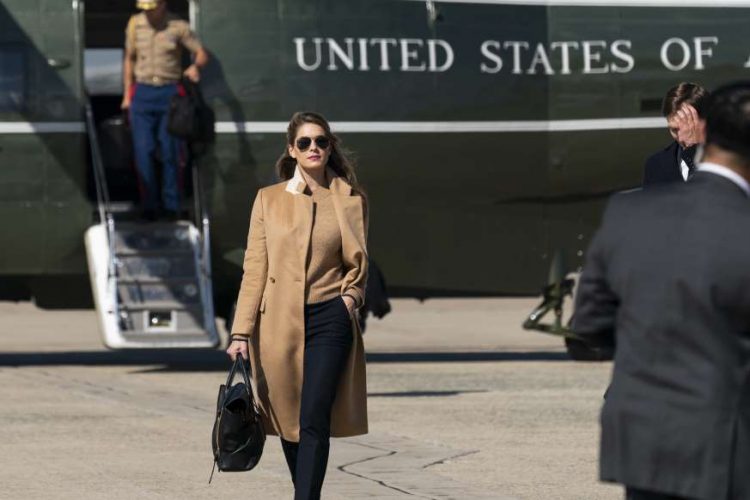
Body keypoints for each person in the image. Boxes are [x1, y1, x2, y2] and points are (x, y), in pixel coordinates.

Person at [573, 81, 750, 500]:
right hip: (723, 432)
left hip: (646, 425)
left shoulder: (624, 213)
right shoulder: (662, 172)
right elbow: (691, 224)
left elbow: (591, 327)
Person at [226, 112, 368, 500]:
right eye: (304, 143)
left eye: (321, 141)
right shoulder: (268, 200)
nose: (314, 149)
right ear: (291, 150)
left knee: (313, 419)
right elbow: (254, 269)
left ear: (330, 146)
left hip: (330, 318)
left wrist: (350, 299)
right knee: (289, 421)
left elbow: (359, 264)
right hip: (278, 324)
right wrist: (241, 331)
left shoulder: (350, 199)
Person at [121, 0, 209, 220]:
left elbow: (201, 53)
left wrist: (195, 66)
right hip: (141, 92)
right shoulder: (135, 24)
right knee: (143, 151)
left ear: (162, 4)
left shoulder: (178, 26)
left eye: (152, 7)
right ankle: (148, 205)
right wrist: (126, 95)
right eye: (145, 7)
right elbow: (129, 60)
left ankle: (172, 205)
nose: (148, 12)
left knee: (171, 152)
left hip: (170, 93)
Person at [643, 82, 709, 187]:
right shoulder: (657, 164)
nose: (682, 138)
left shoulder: (731, 161)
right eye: (674, 130)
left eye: (689, 128)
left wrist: (694, 149)